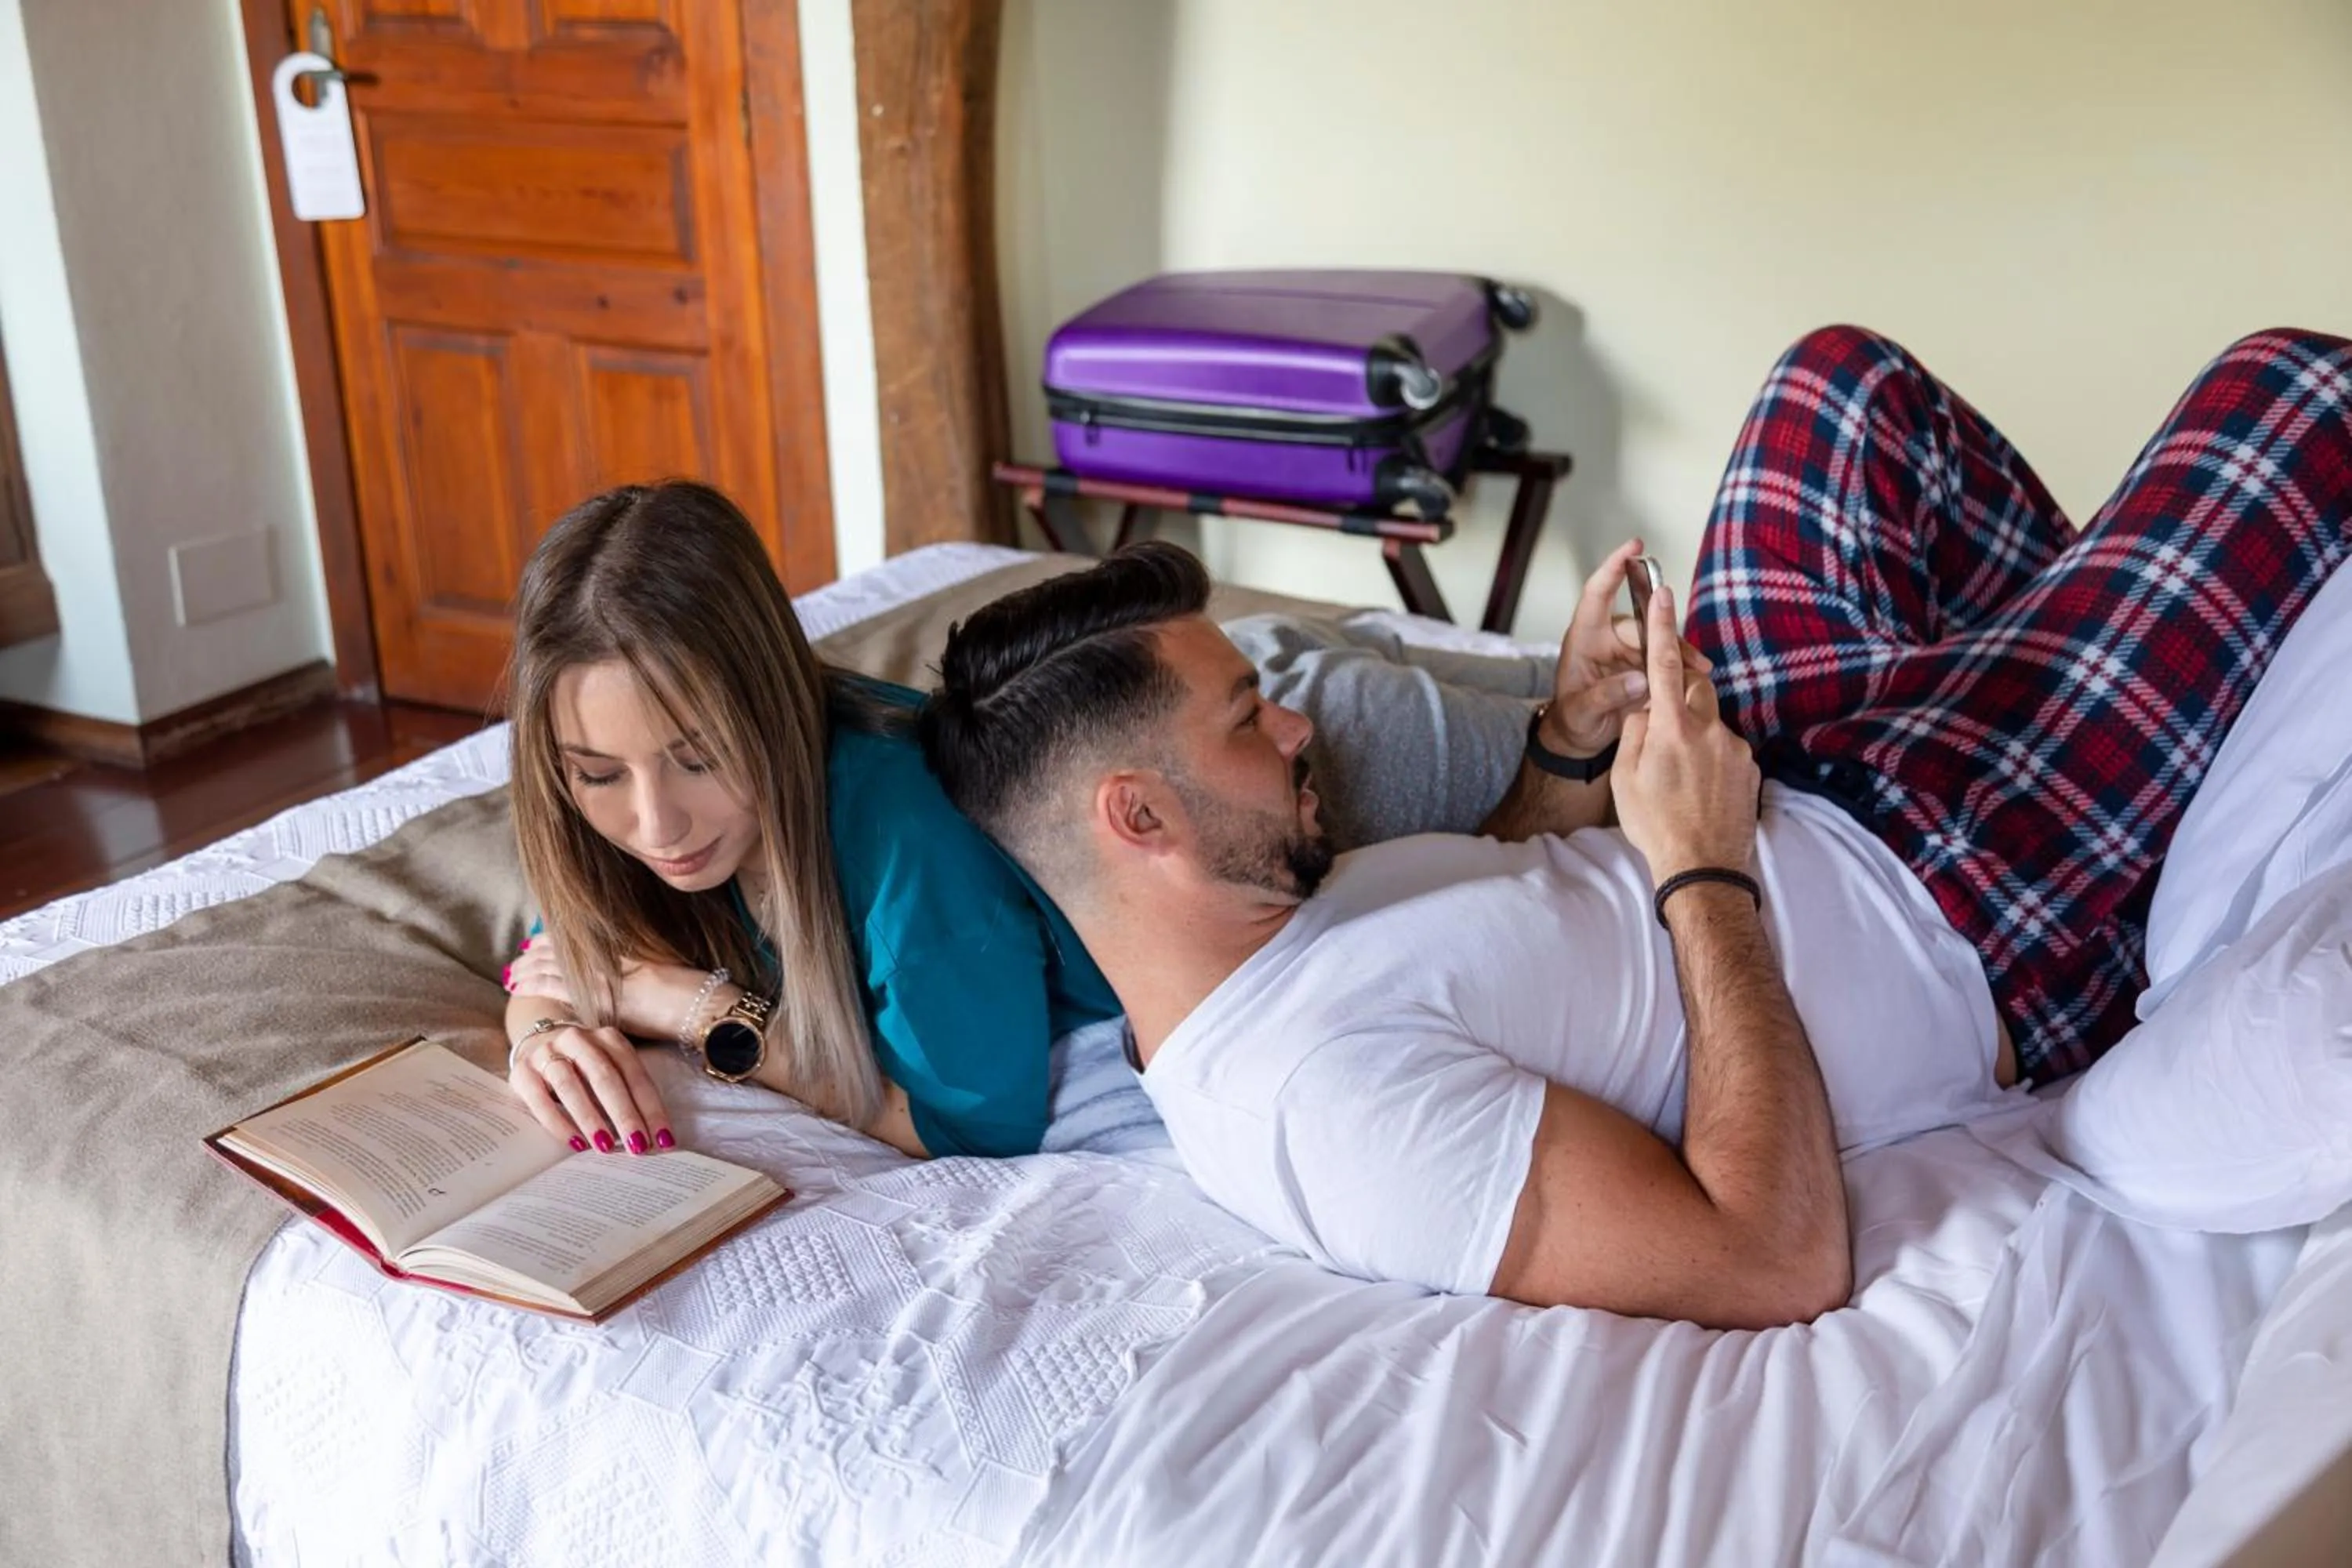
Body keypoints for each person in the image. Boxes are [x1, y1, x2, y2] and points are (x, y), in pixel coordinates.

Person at [916, 325, 2352, 1330]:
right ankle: (2113, 681)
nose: (1294, 726)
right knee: (2293, 392)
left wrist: (1567, 741)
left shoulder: (1255, 919)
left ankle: (2102, 646)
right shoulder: (1328, 1110)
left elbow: (1491, 896)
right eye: (1246, 718)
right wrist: (1703, 865)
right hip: (1963, 892)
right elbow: (1768, 1255)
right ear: (1139, 816)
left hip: (1783, 775)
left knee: (1840, 391)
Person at [497, 480, 1120, 1160]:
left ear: (770, 706)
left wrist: (705, 1011)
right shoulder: (594, 813)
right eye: (600, 774)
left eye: (700, 759)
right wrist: (544, 1039)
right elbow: (554, 963)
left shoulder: (907, 831)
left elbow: (971, 1129)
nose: (656, 826)